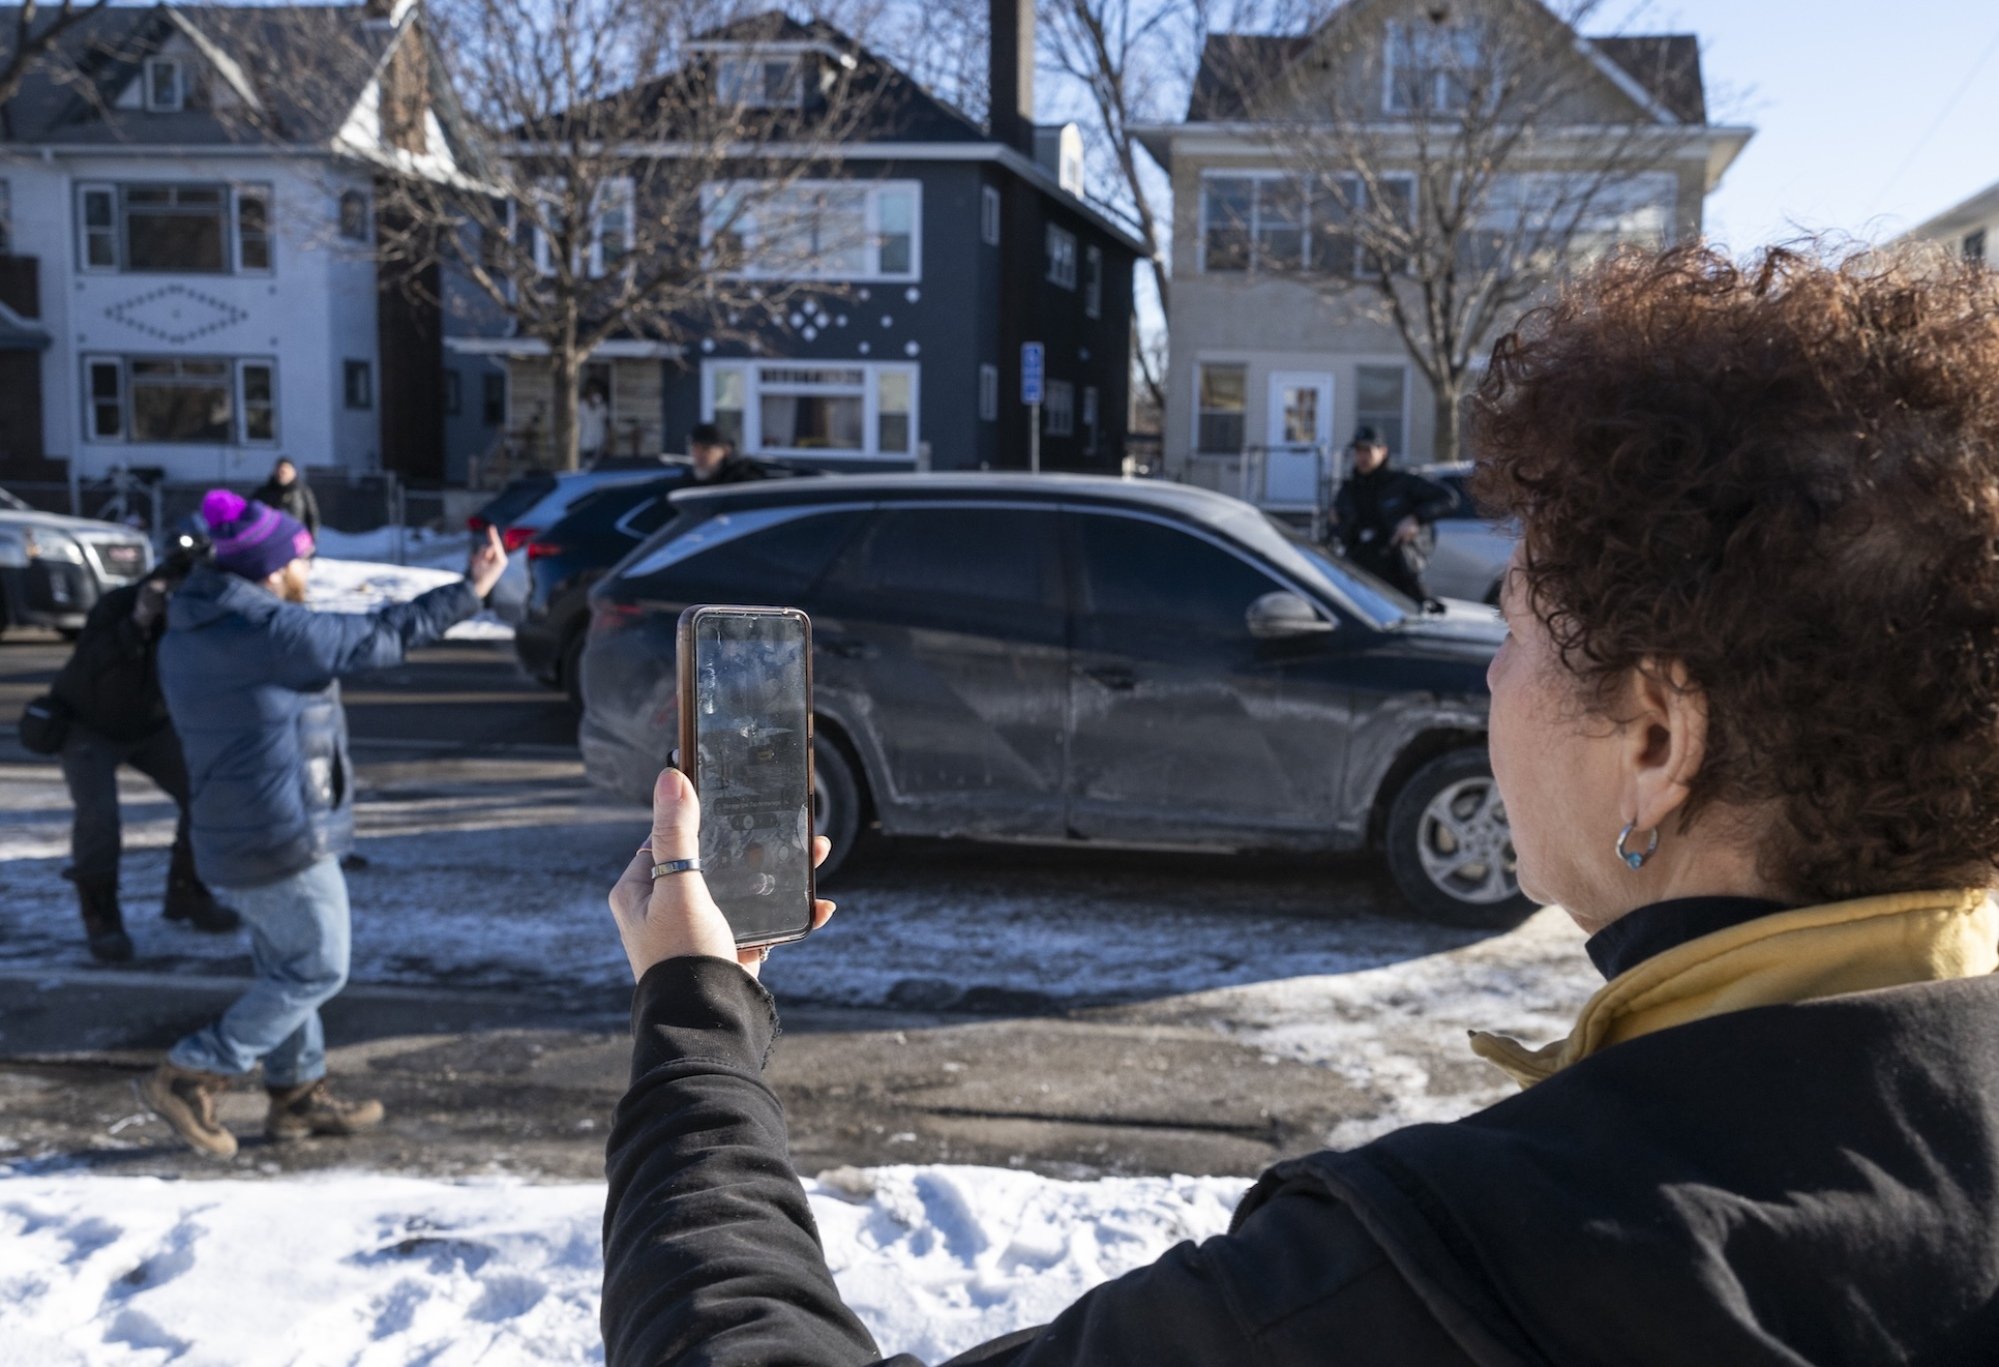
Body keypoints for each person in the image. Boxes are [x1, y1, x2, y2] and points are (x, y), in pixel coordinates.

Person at [597, 242, 1999, 1364]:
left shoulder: (1424, 1280)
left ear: (1652, 736)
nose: (1486, 674)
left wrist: (690, 1016)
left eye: (1509, 623)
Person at [139, 491, 508, 1160]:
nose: (309, 568)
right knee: (316, 967)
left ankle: (296, 1096)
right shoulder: (268, 632)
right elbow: (378, 636)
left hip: (232, 829)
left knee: (286, 965)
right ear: (273, 569)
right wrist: (472, 589)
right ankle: (193, 1071)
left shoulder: (196, 621)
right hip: (278, 833)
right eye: (302, 557)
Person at [50, 529, 239, 963]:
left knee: (203, 795)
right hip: (87, 725)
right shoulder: (120, 606)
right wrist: (138, 620)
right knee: (99, 818)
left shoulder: (199, 616)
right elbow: (90, 664)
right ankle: (102, 917)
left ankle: (187, 893)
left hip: (150, 727)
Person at [1328, 426, 1455, 603]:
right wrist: (1335, 525)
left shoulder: (1401, 483)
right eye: (1358, 451)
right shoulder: (1348, 490)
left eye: (1368, 450)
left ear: (1382, 451)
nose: (1362, 457)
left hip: (1398, 573)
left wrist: (1415, 519)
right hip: (1358, 575)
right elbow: (1336, 532)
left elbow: (1448, 498)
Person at [252, 457, 321, 543]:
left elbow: (312, 517)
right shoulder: (264, 492)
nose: (282, 474)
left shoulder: (303, 492)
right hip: (271, 541)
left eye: (285, 471)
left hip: (295, 541)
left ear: (293, 472)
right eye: (280, 471)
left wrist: (311, 540)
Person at [688, 421, 773, 485]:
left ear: (726, 450)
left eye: (706, 449)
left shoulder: (745, 480)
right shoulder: (690, 481)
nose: (699, 456)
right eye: (695, 449)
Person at [579, 385, 610, 465]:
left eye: (595, 394)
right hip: (584, 440)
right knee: (586, 463)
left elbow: (606, 420)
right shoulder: (581, 406)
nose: (593, 396)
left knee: (598, 463)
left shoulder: (602, 406)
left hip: (598, 440)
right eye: (591, 394)